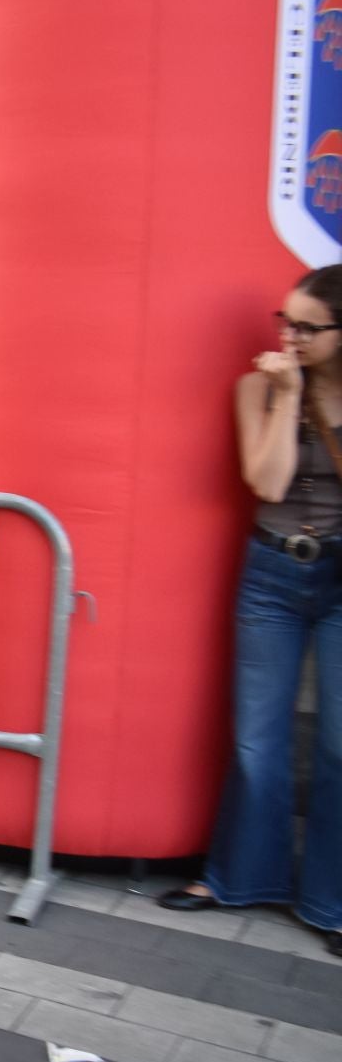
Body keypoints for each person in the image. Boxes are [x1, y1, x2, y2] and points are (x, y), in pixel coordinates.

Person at [159, 270, 342, 958]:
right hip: (271, 571)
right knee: (257, 741)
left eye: (307, 327)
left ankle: (331, 900)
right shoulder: (258, 386)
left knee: (338, 747)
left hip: (340, 575)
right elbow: (266, 480)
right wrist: (289, 394)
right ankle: (239, 878)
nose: (288, 336)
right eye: (284, 321)